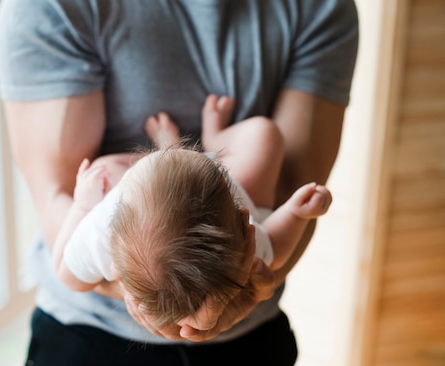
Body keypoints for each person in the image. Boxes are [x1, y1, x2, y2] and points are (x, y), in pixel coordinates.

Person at [0, 0, 359, 366]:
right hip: (94, 343)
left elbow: (293, 179)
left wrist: (86, 203)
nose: (146, 159)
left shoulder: (320, 7)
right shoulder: (51, 8)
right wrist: (295, 216)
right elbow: (56, 195)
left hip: (248, 345)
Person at [54, 94, 333, 329]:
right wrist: (297, 214)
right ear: (241, 219)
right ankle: (208, 140)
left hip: (143, 196)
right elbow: (275, 249)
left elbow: (66, 275)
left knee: (101, 172)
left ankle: (169, 149)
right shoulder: (237, 243)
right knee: (264, 134)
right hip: (231, 190)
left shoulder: (101, 229)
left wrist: (82, 205)